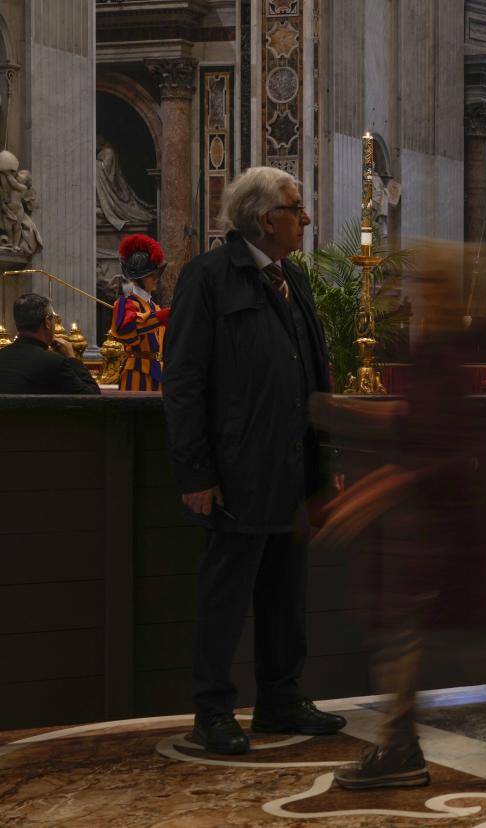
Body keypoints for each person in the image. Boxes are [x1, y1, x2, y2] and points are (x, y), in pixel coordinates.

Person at [162, 166, 342, 755]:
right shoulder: (208, 278)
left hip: (292, 470)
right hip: (237, 472)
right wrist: (195, 473)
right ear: (268, 219)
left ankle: (280, 700)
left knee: (285, 595)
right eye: (297, 208)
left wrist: (325, 463)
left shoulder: (296, 280)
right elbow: (184, 383)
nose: (306, 219)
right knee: (225, 596)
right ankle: (212, 711)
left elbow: (314, 373)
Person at [0, 293, 100, 394]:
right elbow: (93, 398)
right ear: (47, 321)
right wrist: (72, 359)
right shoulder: (54, 363)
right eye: (53, 318)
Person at [109, 234, 171, 391]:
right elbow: (126, 329)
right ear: (140, 278)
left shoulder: (155, 307)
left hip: (159, 372)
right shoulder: (124, 304)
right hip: (136, 372)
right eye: (152, 275)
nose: (157, 278)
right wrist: (164, 316)